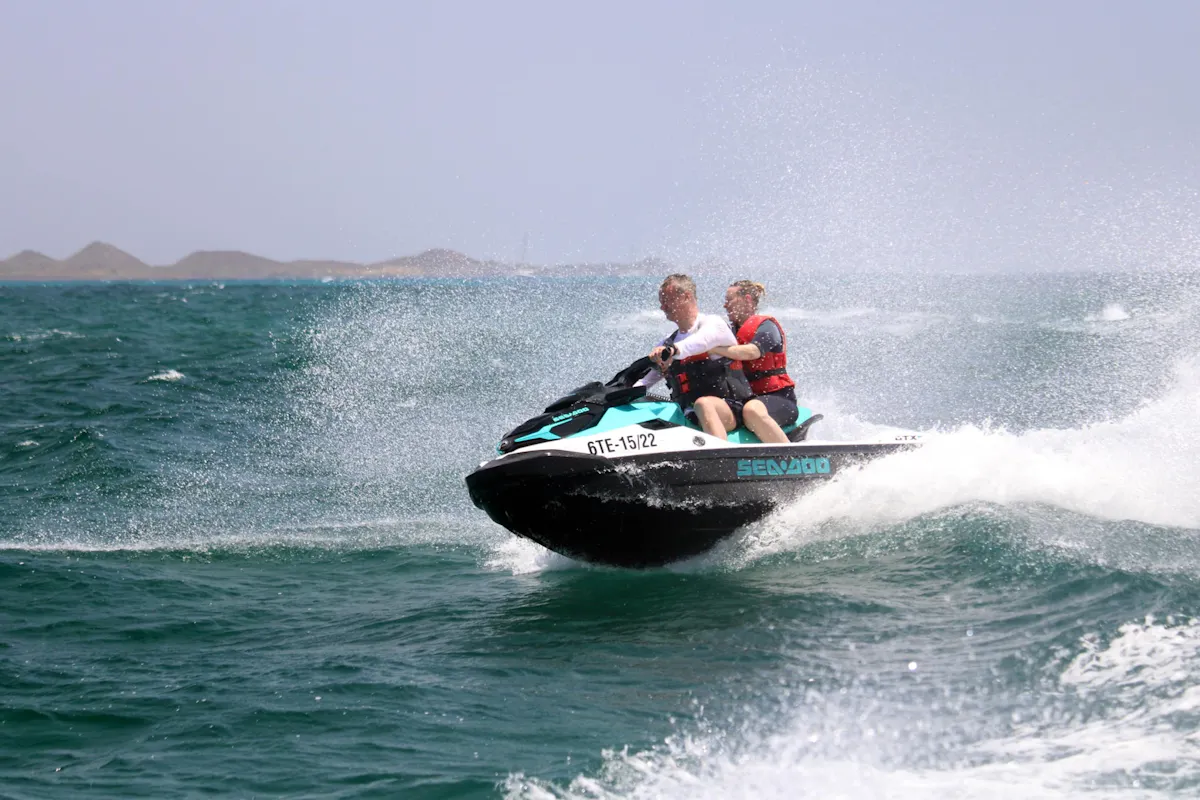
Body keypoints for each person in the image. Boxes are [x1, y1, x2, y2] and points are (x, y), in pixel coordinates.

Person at [637, 274, 753, 438]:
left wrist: (673, 351)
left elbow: (701, 342)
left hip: (731, 409)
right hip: (689, 413)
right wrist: (618, 397)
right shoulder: (668, 341)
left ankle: (719, 458)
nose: (662, 307)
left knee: (703, 404)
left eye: (666, 300)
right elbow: (646, 381)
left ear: (686, 296)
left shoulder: (713, 324)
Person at [709, 280, 798, 444]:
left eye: (729, 300)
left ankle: (789, 459)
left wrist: (714, 349)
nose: (725, 306)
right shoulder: (728, 332)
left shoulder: (767, 326)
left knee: (752, 410)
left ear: (747, 300)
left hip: (778, 399)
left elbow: (752, 352)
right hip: (742, 401)